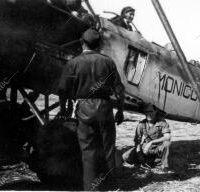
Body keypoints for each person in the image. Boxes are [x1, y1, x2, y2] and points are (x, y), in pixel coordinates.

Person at [57, 27, 125, 190]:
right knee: (108, 147)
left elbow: (62, 89)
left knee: (88, 150)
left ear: (82, 43)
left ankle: (91, 188)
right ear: (99, 44)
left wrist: (64, 108)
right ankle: (110, 185)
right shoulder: (108, 61)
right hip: (104, 107)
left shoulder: (73, 62)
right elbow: (119, 90)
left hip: (84, 107)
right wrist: (120, 110)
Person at [122, 104, 171, 171]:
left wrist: (151, 142)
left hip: (157, 148)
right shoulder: (141, 124)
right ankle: (144, 163)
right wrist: (139, 154)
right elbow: (137, 141)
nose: (149, 114)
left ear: (155, 111)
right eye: (147, 112)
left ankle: (164, 165)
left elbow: (167, 137)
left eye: (151, 111)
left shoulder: (162, 122)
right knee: (125, 156)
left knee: (167, 143)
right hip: (146, 148)